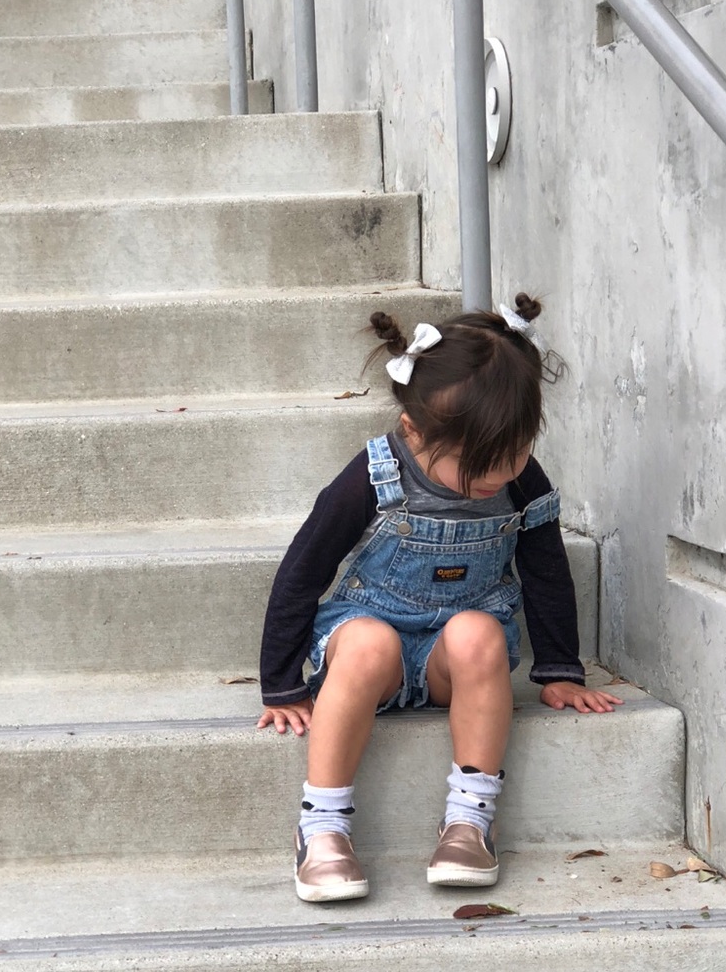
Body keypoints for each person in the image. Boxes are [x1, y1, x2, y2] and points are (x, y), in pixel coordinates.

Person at [257, 295, 623, 903]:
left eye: (517, 454)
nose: (501, 474)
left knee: (478, 632)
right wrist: (282, 682)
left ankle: (470, 820)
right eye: (479, 465)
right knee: (369, 643)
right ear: (414, 431)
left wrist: (559, 669)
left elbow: (546, 569)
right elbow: (304, 570)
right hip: (370, 643)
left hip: (452, 660)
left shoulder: (521, 481)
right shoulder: (374, 475)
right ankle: (322, 827)